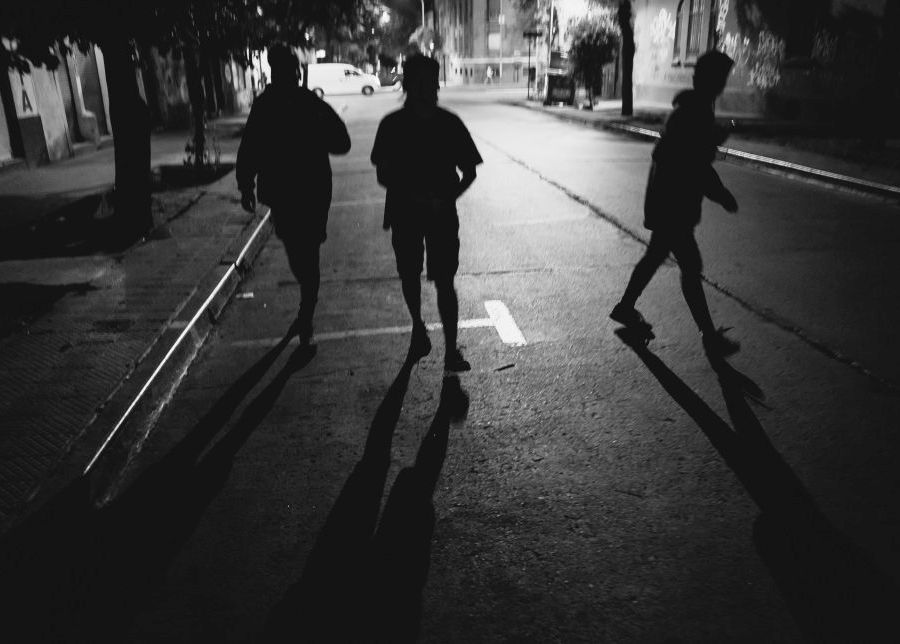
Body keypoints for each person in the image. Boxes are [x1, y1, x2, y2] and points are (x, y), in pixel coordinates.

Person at [610, 50, 741, 357]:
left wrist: (715, 137)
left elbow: (693, 149)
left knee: (656, 256)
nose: (722, 85)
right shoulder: (694, 111)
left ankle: (626, 307)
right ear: (707, 79)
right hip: (674, 203)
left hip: (666, 199)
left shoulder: (692, 108)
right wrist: (721, 194)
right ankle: (710, 338)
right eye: (719, 78)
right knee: (690, 268)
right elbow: (694, 162)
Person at [371, 55, 483, 372]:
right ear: (410, 84)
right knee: (409, 275)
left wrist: (446, 199)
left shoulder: (449, 123)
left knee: (445, 280)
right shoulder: (392, 125)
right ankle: (418, 326)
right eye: (421, 82)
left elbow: (470, 172)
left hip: (441, 214)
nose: (428, 88)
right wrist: (416, 196)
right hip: (405, 214)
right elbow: (382, 174)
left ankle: (450, 351)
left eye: (431, 81)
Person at [236, 44, 351, 345]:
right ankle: (307, 306)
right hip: (310, 190)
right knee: (305, 256)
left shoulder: (268, 105)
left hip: (287, 193)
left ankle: (306, 313)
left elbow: (249, 148)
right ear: (295, 73)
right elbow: (341, 141)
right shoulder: (306, 104)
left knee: (301, 254)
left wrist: (246, 185)